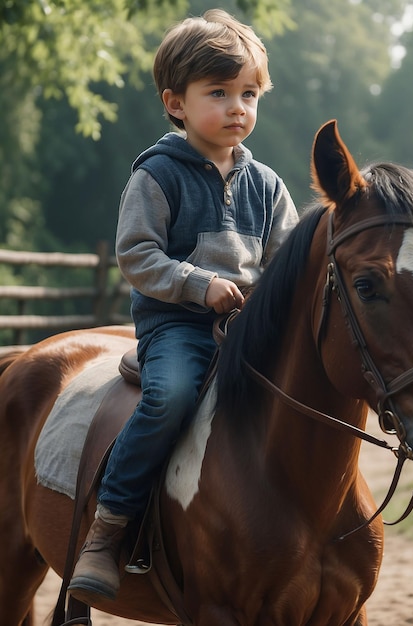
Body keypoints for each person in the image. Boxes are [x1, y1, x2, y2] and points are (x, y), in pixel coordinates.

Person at [68, 7, 298, 604]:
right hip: (180, 325)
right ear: (176, 103)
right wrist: (200, 285)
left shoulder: (268, 186)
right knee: (169, 397)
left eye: (249, 93)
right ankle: (109, 527)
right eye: (218, 93)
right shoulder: (158, 174)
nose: (237, 108)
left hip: (252, 329)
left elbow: (286, 264)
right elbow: (137, 255)